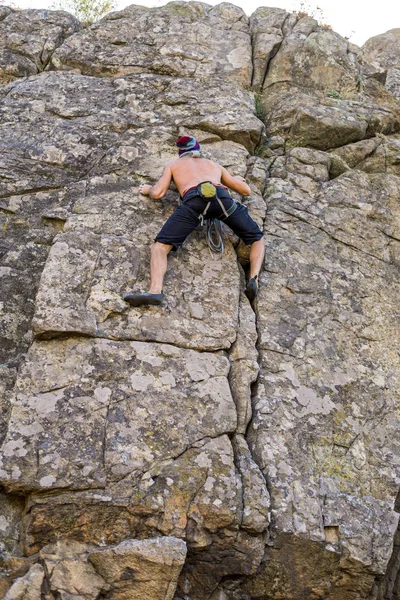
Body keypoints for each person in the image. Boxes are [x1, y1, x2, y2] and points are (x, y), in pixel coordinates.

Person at [124, 136, 265, 307]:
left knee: (160, 247)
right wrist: (234, 178)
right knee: (256, 238)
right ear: (199, 151)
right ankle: (254, 278)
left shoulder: (174, 165)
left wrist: (148, 189)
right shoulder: (213, 165)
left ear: (181, 154)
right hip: (221, 197)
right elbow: (245, 190)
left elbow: (158, 193)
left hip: (194, 201)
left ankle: (155, 291)